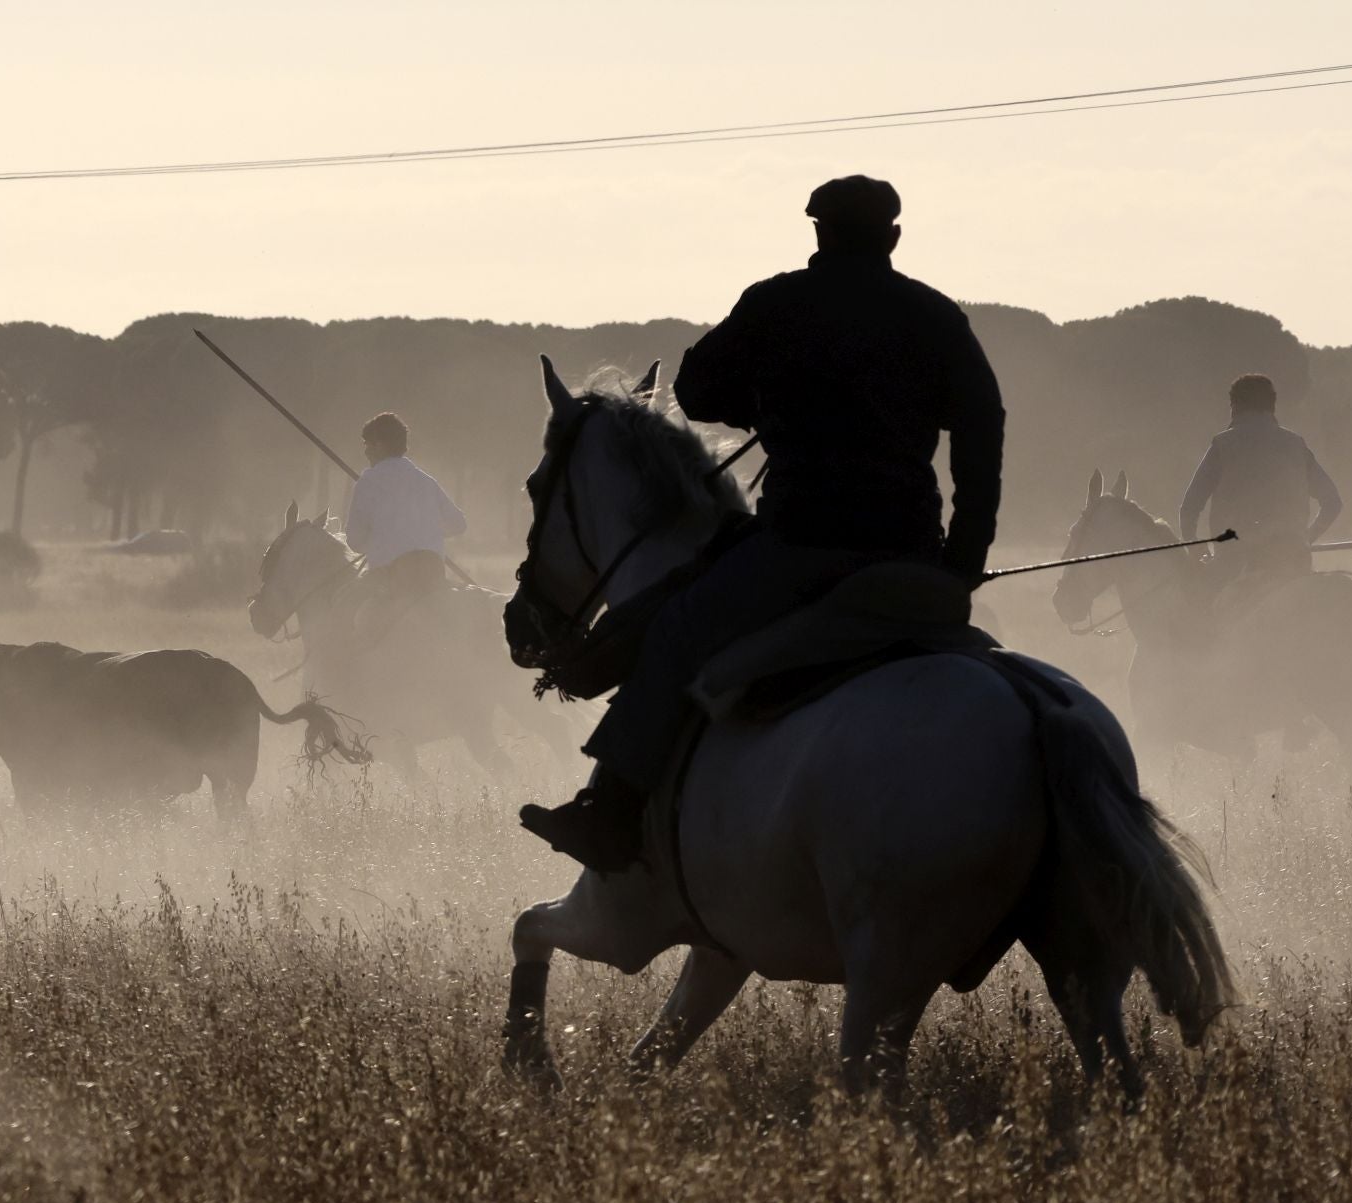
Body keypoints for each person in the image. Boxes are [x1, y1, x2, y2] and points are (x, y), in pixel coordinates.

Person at [519, 175, 1006, 866]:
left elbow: (693, 389)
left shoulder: (776, 304)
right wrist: (963, 555)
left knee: (677, 628)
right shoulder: (935, 318)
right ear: (893, 237)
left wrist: (770, 404)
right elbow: (983, 432)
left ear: (818, 232)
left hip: (798, 543)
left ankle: (613, 813)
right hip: (910, 550)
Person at [1179, 373, 1341, 585]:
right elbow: (1333, 502)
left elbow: (1190, 508)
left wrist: (1197, 551)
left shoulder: (1223, 445)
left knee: (1199, 610)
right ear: (1272, 406)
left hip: (1235, 563)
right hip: (1294, 561)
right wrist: (1305, 539)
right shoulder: (1296, 444)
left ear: (1234, 406)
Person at [344, 412, 466, 624]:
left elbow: (354, 541)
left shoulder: (368, 481)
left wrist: (379, 541)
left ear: (379, 445)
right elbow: (459, 524)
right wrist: (426, 531)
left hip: (391, 577)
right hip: (434, 573)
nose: (365, 451)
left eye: (367, 444)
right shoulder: (426, 480)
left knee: (343, 606)